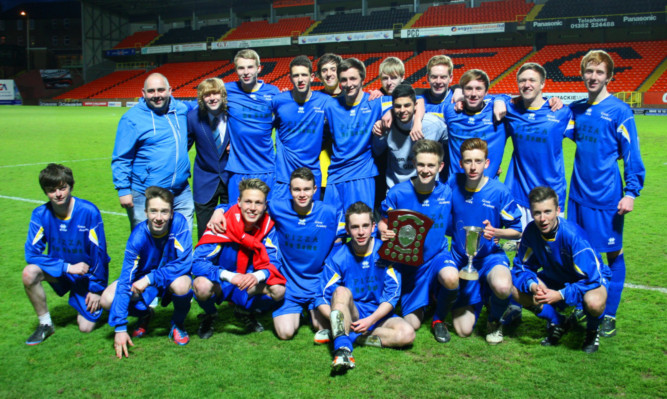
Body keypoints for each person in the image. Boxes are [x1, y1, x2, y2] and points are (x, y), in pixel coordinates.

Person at [567, 50, 645, 337]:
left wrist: (631, 192)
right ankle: (582, 303)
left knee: (613, 254)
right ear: (582, 73)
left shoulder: (620, 111)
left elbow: (632, 155)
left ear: (609, 76)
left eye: (599, 72)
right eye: (589, 71)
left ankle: (609, 313)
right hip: (577, 197)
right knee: (577, 252)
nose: (593, 76)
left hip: (606, 198)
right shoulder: (575, 110)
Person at [438, 138, 522, 344]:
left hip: (489, 258)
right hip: (461, 260)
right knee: (463, 330)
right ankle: (485, 296)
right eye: (468, 161)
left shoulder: (498, 191)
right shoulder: (452, 184)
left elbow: (517, 231)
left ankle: (495, 319)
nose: (473, 166)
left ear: (487, 163)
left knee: (503, 286)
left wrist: (496, 233)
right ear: (460, 163)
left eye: (478, 161)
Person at [316, 202, 415, 371]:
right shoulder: (338, 257)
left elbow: (392, 296)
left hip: (378, 314)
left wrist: (370, 320)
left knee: (407, 334)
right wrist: (338, 317)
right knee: (340, 291)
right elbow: (321, 298)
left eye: (365, 226)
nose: (361, 232)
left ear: (373, 227)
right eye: (355, 227)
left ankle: (349, 335)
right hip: (352, 312)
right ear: (347, 230)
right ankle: (343, 349)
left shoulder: (386, 252)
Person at [512, 186, 611, 353]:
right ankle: (558, 321)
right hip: (554, 278)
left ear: (558, 210)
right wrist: (533, 285)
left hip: (589, 280)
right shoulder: (531, 231)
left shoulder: (574, 237)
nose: (542, 218)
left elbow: (591, 279)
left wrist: (560, 294)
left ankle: (592, 331)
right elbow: (521, 267)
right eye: (537, 213)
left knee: (594, 303)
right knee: (512, 287)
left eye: (548, 212)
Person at [22, 163, 110, 345]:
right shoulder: (40, 214)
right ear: (45, 191)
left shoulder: (88, 212)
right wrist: (67, 267)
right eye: (51, 190)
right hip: (62, 272)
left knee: (85, 327)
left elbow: (99, 254)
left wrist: (96, 289)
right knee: (29, 273)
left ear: (71, 186)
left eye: (62, 188)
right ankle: (45, 324)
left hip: (86, 275)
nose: (58, 194)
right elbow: (31, 254)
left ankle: (101, 298)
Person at [102, 186, 193, 358]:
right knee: (107, 299)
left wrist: (151, 278)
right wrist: (120, 327)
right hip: (143, 282)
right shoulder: (137, 237)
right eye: (154, 211)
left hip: (170, 278)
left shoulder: (179, 224)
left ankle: (178, 324)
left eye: (164, 212)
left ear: (172, 213)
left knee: (182, 285)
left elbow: (184, 263)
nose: (159, 218)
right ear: (145, 212)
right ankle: (145, 314)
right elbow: (126, 279)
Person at [192, 179, 286, 338]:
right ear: (239, 202)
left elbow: (274, 262)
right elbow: (197, 262)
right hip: (221, 281)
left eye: (258, 203)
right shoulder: (221, 221)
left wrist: (255, 276)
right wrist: (229, 276)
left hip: (248, 281)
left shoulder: (268, 227)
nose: (253, 208)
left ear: (265, 206)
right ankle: (210, 314)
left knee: (278, 290)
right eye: (248, 202)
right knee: (201, 285)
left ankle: (243, 310)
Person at [378, 140, 453, 336]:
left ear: (440, 166)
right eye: (421, 164)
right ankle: (425, 297)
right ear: (414, 163)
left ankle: (439, 318)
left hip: (436, 257)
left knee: (451, 278)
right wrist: (383, 230)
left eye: (431, 165)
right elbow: (383, 221)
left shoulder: (447, 192)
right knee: (412, 324)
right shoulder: (398, 193)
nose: (426, 170)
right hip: (409, 264)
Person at [112, 73, 194, 230]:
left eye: (161, 90)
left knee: (183, 240)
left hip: (180, 191)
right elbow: (121, 158)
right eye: (151, 91)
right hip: (145, 193)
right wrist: (123, 190)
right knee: (147, 244)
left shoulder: (181, 110)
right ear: (143, 93)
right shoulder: (131, 119)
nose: (156, 95)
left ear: (170, 90)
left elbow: (202, 103)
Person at [270, 168, 341, 341]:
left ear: (315, 190)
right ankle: (299, 313)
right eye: (297, 190)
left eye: (307, 189)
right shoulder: (276, 207)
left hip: (317, 284)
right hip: (289, 284)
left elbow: (357, 229)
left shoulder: (330, 212)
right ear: (290, 190)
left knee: (323, 327)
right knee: (285, 333)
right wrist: (220, 209)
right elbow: (249, 206)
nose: (302, 194)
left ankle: (312, 312)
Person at [503, 63, 573, 229]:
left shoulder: (561, 112)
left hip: (551, 194)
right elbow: (489, 97)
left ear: (542, 84)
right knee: (522, 248)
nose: (527, 84)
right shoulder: (511, 110)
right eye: (522, 80)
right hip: (519, 193)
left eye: (532, 80)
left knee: (551, 249)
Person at [322, 58, 385, 219]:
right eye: (343, 79)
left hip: (362, 174)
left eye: (353, 79)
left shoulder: (375, 102)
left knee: (361, 229)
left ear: (363, 79)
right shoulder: (330, 106)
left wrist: (389, 111)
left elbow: (412, 101)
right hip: (335, 174)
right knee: (333, 230)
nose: (348, 84)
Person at [271, 55, 335, 201]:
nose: (300, 79)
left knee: (310, 218)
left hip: (311, 173)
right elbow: (261, 129)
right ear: (290, 78)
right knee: (281, 218)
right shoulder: (278, 101)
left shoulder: (324, 101)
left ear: (312, 77)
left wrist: (381, 94)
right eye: (296, 75)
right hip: (284, 174)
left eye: (304, 75)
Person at [225, 49, 280, 202]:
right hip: (238, 170)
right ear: (235, 70)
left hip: (266, 168)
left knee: (267, 218)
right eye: (241, 68)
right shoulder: (227, 90)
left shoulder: (273, 92)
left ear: (259, 68)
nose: (246, 72)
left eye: (250, 67)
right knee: (237, 219)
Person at [373, 84, 448, 190]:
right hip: (397, 190)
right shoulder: (386, 126)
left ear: (415, 105)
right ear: (392, 107)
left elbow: (453, 143)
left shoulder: (433, 124)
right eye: (398, 106)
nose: (402, 110)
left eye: (407, 105)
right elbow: (377, 151)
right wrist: (377, 135)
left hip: (428, 190)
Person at [442, 69, 508, 179]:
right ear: (462, 91)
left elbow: (514, 101)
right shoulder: (451, 111)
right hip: (455, 187)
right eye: (468, 89)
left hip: (487, 187)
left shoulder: (497, 113)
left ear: (486, 92)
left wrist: (500, 100)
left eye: (478, 89)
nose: (473, 94)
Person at [187, 77, 231, 239]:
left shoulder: (233, 115)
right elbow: (184, 146)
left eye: (215, 93)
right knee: (204, 233)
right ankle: (203, 262)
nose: (212, 98)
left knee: (230, 230)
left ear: (222, 95)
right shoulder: (193, 118)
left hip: (230, 180)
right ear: (201, 98)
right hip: (204, 181)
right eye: (207, 95)